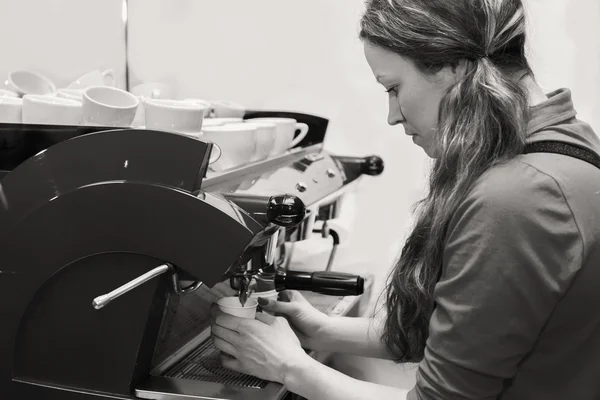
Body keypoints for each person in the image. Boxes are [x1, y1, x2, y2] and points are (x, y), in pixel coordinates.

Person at [210, 0, 600, 398]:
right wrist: (323, 330)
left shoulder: (520, 197)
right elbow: (478, 336)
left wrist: (288, 366)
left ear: (456, 66)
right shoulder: (564, 147)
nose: (392, 115)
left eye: (394, 88)